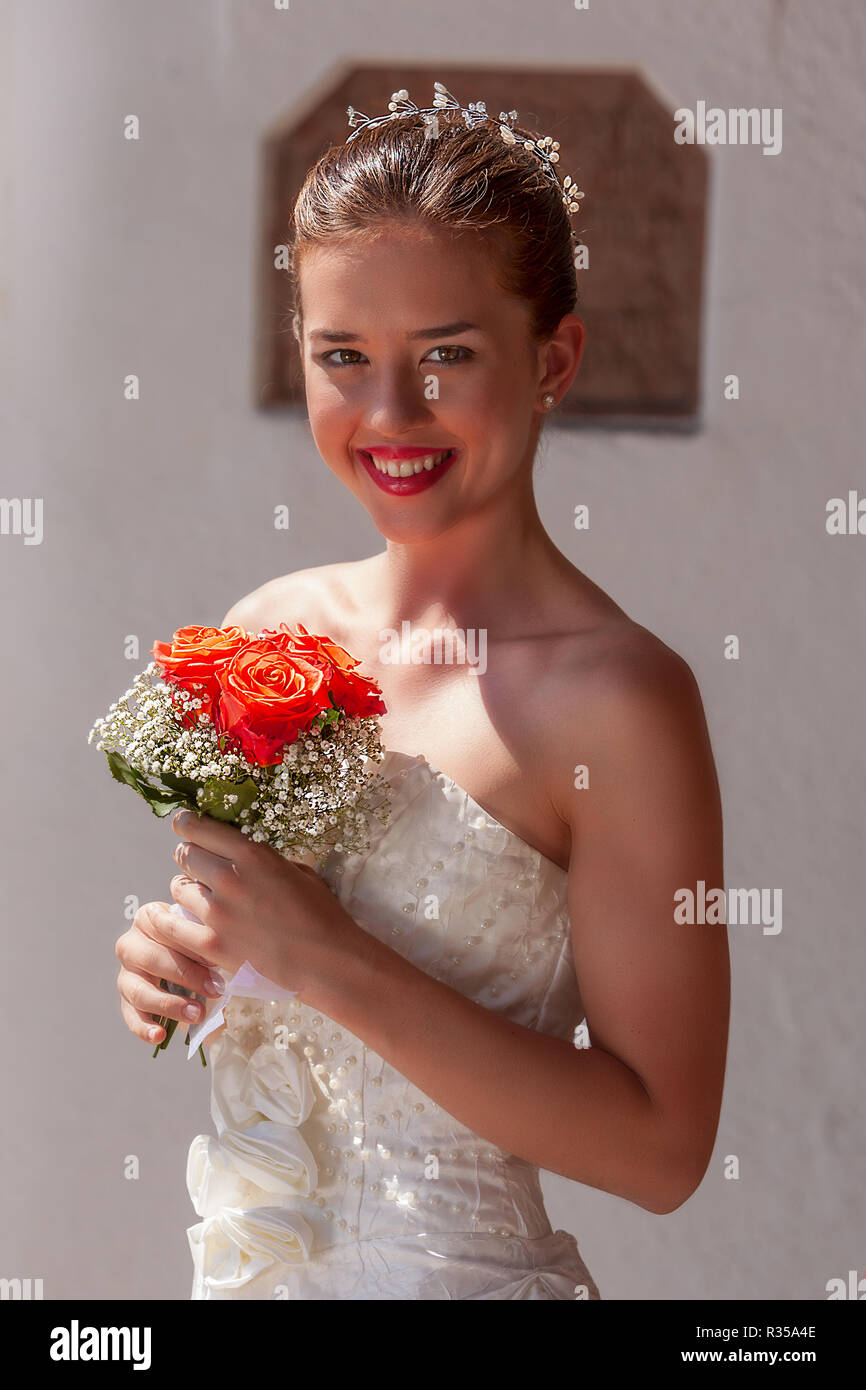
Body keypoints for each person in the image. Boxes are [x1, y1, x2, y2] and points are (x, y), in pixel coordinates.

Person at [114, 81, 729, 1300]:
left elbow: (662, 1149)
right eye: (344, 356)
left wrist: (329, 956)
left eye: (445, 355)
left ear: (552, 358)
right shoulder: (265, 632)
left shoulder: (620, 701)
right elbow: (255, 967)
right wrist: (174, 957)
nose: (391, 414)